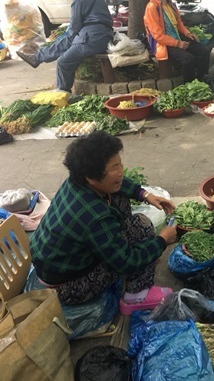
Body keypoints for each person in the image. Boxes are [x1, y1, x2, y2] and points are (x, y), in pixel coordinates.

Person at [30, 131, 179, 315]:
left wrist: (145, 195)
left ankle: (132, 252)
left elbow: (118, 184)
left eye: (120, 164)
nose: (121, 171)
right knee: (142, 228)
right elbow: (128, 262)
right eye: (114, 167)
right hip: (68, 287)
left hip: (53, 263)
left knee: (120, 200)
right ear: (91, 177)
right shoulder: (95, 217)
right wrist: (162, 240)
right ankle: (135, 295)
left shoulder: (76, 181)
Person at [16, 0, 113, 95]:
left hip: (91, 40)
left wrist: (63, 37)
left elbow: (74, 28)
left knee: (63, 61)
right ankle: (37, 57)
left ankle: (63, 94)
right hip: (104, 36)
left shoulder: (79, 0)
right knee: (68, 42)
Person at [144, 0, 210, 83]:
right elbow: (158, 36)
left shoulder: (171, 4)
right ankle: (189, 86)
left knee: (203, 50)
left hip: (176, 37)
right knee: (188, 59)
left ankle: (201, 81)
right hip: (163, 43)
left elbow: (179, 24)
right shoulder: (151, 7)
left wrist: (188, 34)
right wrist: (178, 43)